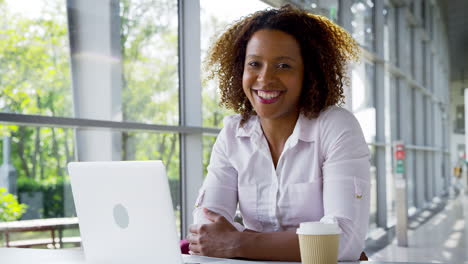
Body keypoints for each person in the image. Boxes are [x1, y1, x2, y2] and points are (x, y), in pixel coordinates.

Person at [187, 5, 370, 262]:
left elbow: (342, 240)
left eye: (283, 65)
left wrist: (238, 242)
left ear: (309, 73)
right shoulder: (232, 133)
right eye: (254, 64)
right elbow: (206, 229)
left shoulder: (336, 127)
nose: (265, 78)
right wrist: (297, 243)